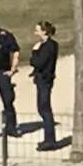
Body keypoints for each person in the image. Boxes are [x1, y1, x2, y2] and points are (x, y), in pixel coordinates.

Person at [29, 21, 59, 151]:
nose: (36, 32)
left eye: (38, 30)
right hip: (44, 79)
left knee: (44, 109)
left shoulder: (47, 46)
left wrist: (35, 52)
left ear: (44, 31)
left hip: (44, 79)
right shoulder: (50, 45)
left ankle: (50, 140)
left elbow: (39, 62)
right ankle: (49, 139)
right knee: (43, 108)